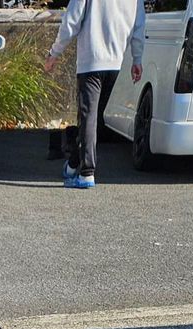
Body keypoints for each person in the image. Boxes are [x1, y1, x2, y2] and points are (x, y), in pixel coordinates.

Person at [45, 0, 145, 188]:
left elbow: (71, 21)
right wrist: (137, 58)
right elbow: (138, 24)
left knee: (88, 117)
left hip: (91, 61)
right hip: (116, 62)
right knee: (91, 117)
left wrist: (55, 52)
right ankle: (73, 165)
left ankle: (86, 172)